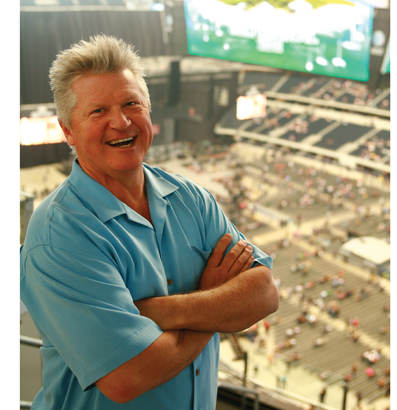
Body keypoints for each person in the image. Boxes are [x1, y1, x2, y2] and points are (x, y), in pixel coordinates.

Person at [20, 35, 279, 409]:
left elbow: (265, 291)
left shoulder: (192, 198)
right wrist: (214, 303)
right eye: (98, 112)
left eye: (131, 104)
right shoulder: (59, 234)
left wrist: (162, 311)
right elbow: (128, 375)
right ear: (68, 132)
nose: (121, 122)